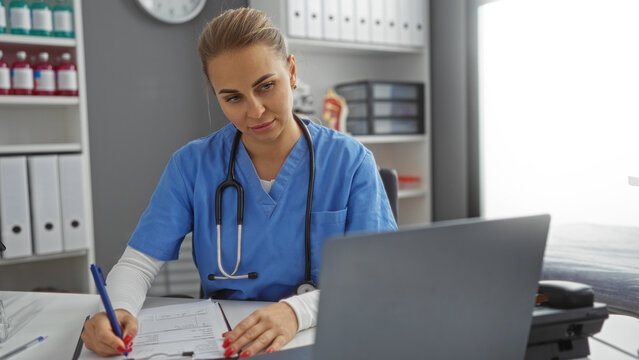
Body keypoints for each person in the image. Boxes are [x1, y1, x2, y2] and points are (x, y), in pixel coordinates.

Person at [81, 7, 397, 358]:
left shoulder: (350, 162)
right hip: (229, 343)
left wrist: (296, 311)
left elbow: (376, 279)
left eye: (266, 86)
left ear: (291, 72)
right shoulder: (192, 165)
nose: (255, 111)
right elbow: (138, 264)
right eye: (233, 97)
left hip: (323, 335)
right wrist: (118, 310)